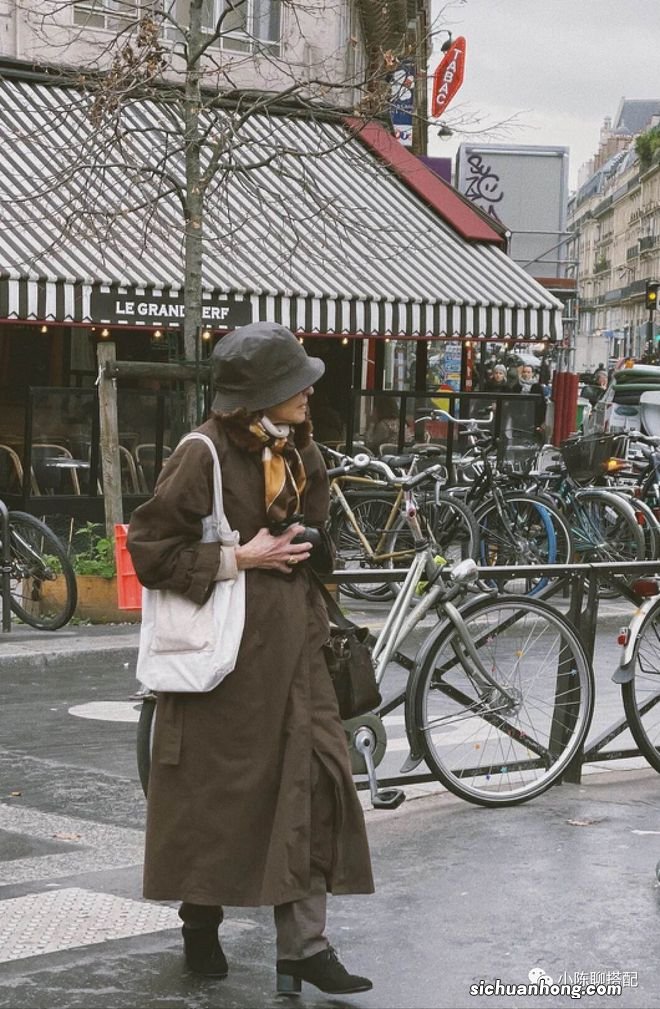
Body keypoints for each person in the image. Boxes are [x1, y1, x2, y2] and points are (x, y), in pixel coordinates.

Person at [127, 321, 374, 996]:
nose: (309, 394)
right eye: (295, 386)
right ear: (258, 396)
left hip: (297, 646)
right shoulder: (201, 453)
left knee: (316, 777)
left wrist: (311, 541)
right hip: (225, 656)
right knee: (218, 795)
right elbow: (149, 549)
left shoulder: (300, 450)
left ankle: (304, 946)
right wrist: (238, 557)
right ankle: (199, 919)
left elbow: (315, 540)